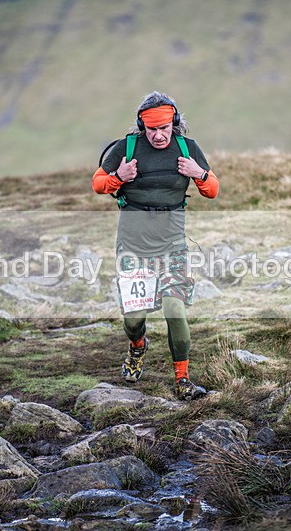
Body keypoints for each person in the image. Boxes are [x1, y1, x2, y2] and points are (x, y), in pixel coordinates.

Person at [92, 91, 219, 400]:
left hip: (172, 245)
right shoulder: (127, 148)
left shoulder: (187, 148)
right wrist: (119, 176)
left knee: (175, 310)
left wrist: (198, 173)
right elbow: (98, 183)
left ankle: (183, 379)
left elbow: (213, 189)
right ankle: (137, 347)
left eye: (164, 128)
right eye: (152, 129)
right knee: (134, 320)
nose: (159, 135)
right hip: (133, 246)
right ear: (142, 126)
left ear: (173, 123)